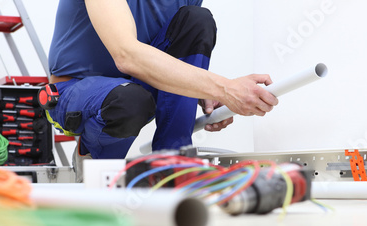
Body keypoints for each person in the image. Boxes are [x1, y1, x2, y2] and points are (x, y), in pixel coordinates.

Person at [47, 0, 278, 181]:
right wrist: (224, 89)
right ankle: (92, 159)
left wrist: (206, 93)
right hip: (76, 92)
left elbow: (176, 52)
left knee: (197, 19)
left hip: (139, 87)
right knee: (129, 99)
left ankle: (172, 165)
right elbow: (126, 55)